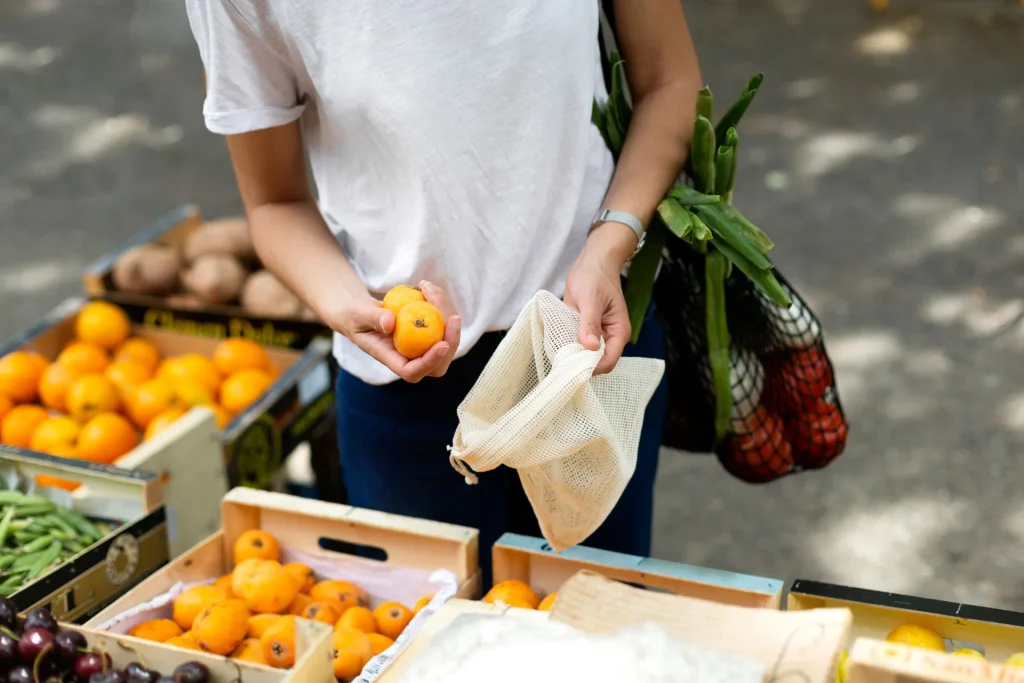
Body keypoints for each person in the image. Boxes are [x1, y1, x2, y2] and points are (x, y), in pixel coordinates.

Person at [185, 0, 701, 583]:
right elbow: (274, 203)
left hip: (589, 349)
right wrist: (349, 307)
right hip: (404, 391)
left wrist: (612, 241)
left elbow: (669, 82)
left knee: (603, 636)